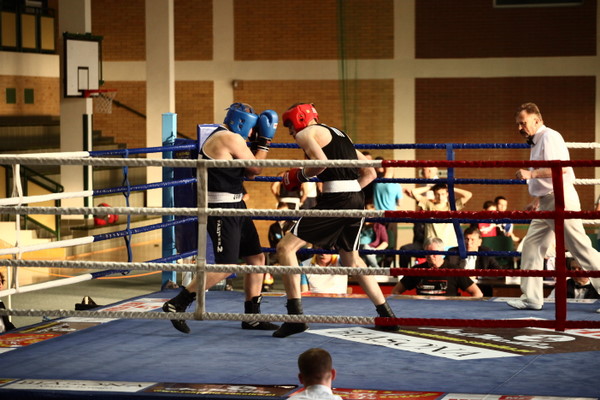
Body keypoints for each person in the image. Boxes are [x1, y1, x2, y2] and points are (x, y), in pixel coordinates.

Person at [274, 103, 399, 338]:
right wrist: (350, 193)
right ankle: (387, 315)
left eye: (290, 124)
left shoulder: (306, 133)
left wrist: (299, 175)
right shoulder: (341, 135)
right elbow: (370, 173)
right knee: (352, 259)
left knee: (285, 248)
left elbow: (321, 163)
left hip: (337, 199)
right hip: (355, 198)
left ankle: (295, 318)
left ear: (299, 119)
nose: (290, 131)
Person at [163, 102, 280, 333]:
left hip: (236, 205)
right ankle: (178, 303)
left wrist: (257, 144)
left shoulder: (228, 137)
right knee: (226, 266)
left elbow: (249, 173)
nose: (251, 134)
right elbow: (256, 169)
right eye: (252, 129)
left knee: (256, 258)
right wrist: (265, 141)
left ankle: (252, 317)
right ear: (242, 123)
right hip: (222, 207)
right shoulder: (229, 138)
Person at [507, 102, 600, 312]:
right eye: (518, 124)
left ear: (537, 120)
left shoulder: (549, 136)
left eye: (523, 123)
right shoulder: (536, 140)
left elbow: (560, 168)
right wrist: (537, 200)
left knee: (580, 248)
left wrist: (531, 174)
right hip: (547, 201)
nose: (520, 128)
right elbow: (547, 178)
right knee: (531, 246)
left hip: (561, 199)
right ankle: (532, 298)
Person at [392, 237, 483, 297]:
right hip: (423, 313)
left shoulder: (454, 270)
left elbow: (477, 293)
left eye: (433, 252)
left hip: (448, 313)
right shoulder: (417, 270)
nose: (430, 256)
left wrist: (463, 309)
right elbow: (395, 292)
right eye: (427, 253)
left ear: (442, 252)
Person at [411, 183, 472, 249]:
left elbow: (468, 195)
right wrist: (431, 188)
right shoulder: (429, 205)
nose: (440, 197)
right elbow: (414, 192)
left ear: (447, 194)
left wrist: (451, 188)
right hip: (432, 245)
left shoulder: (452, 206)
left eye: (443, 194)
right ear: (434, 194)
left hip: (450, 244)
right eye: (438, 194)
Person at [445, 226, 501, 296]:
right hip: (458, 290)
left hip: (481, 289)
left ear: (479, 242)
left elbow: (498, 272)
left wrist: (478, 276)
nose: (469, 243)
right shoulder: (453, 252)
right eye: (466, 239)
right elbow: (444, 270)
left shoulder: (486, 253)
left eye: (472, 240)